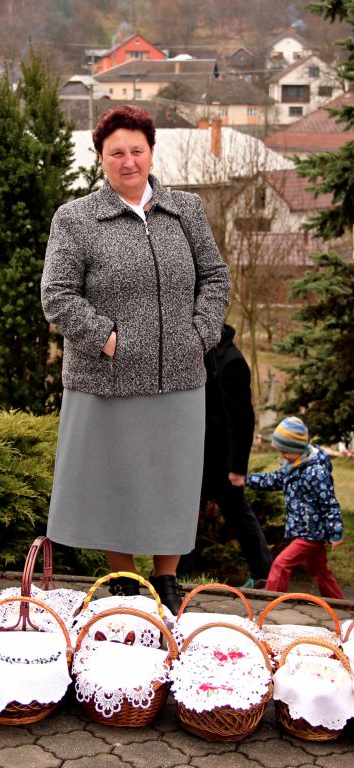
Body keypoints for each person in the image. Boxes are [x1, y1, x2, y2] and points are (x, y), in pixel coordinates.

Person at [41, 105, 229, 614]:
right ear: (101, 158)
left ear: (151, 152)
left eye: (137, 150)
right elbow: (57, 294)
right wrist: (107, 340)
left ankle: (166, 579)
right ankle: (123, 578)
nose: (128, 161)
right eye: (116, 153)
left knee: (173, 479)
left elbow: (214, 276)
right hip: (107, 378)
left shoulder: (186, 210)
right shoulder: (75, 218)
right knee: (114, 480)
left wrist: (201, 332)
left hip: (180, 375)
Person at [178, 324, 272, 587]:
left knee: (238, 515)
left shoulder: (232, 362)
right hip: (199, 456)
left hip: (222, 462)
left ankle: (264, 574)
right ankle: (178, 573)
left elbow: (242, 419)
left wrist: (238, 467)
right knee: (184, 512)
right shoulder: (206, 357)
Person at [244, 416, 344, 599]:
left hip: (310, 534)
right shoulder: (292, 466)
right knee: (320, 571)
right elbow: (273, 479)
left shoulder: (316, 472)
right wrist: (246, 480)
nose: (282, 456)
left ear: (297, 449)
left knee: (281, 564)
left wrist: (335, 532)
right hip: (305, 532)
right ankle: (339, 604)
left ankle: (270, 602)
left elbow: (329, 504)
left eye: (285, 452)